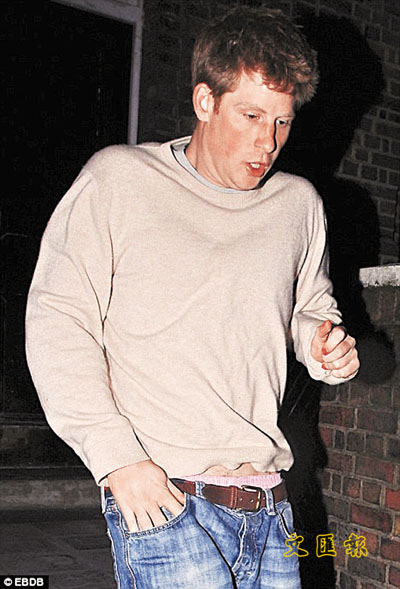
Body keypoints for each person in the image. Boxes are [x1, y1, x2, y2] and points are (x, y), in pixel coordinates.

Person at [26, 5, 359, 588]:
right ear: (206, 101)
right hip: (168, 499)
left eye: (282, 121)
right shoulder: (120, 181)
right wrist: (117, 460)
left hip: (269, 504)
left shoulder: (297, 205)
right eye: (251, 115)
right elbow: (58, 322)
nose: (268, 141)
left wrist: (322, 344)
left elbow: (308, 307)